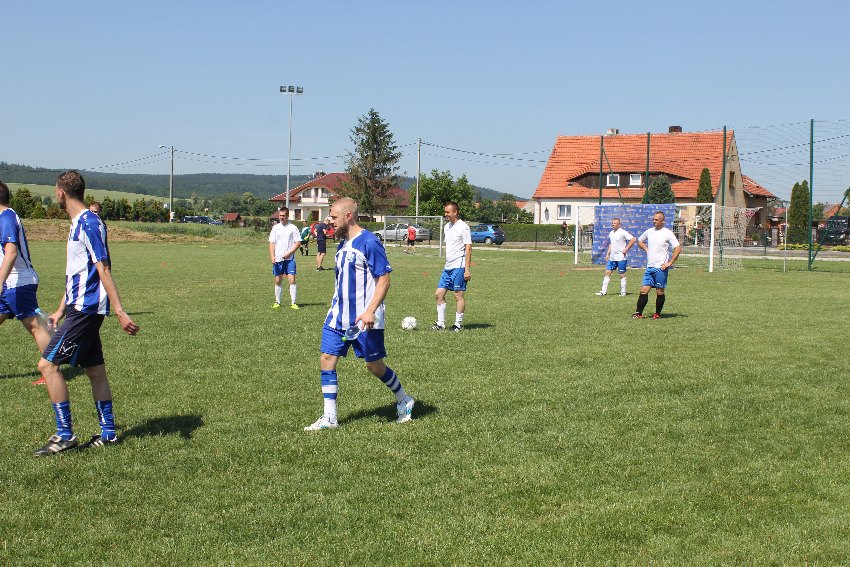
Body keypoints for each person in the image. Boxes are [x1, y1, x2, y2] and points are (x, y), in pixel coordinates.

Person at [35, 170, 140, 456]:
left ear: (61, 192)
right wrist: (60, 309)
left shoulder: (89, 223)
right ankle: (108, 433)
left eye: (55, 192)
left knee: (47, 366)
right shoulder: (77, 224)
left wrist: (119, 311)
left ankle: (65, 435)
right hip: (79, 307)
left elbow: (103, 268)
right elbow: (78, 274)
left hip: (86, 309)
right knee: (95, 371)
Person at [304, 197, 414, 431]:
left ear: (348, 216)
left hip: (364, 319)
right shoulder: (342, 244)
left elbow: (384, 280)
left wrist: (370, 312)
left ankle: (404, 399)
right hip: (338, 316)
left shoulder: (369, 242)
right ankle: (330, 418)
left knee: (374, 366)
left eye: (333, 217)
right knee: (327, 359)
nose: (329, 221)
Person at [0, 180, 53, 385]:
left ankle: (51, 371)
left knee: (34, 325)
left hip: (18, 283)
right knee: (35, 324)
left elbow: (11, 252)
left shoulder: (6, 217)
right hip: (9, 284)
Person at [632, 211, 681, 319]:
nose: (654, 221)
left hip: (661, 268)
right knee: (643, 290)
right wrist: (646, 249)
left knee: (659, 291)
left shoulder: (667, 233)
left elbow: (678, 248)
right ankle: (638, 313)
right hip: (650, 267)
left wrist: (669, 263)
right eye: (653, 219)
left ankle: (657, 314)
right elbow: (639, 240)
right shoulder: (649, 231)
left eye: (656, 220)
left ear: (662, 221)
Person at [432, 201, 472, 332]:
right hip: (448, 267)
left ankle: (457, 325)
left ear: (455, 212)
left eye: (448, 212)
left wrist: (467, 270)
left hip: (459, 266)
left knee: (458, 295)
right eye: (445, 212)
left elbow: (468, 249)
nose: (446, 214)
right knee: (439, 294)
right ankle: (440, 324)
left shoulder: (464, 227)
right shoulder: (446, 227)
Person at [269, 208, 302, 310]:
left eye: (283, 216)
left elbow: (298, 242)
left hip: (290, 259)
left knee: (292, 280)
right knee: (278, 280)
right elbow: (272, 243)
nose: (281, 217)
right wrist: (272, 256)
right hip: (278, 259)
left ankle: (293, 303)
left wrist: (289, 253)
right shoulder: (275, 228)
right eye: (280, 215)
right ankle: (277, 302)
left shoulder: (293, 228)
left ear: (287, 216)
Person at [596, 217, 636, 297]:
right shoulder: (611, 233)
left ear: (619, 225)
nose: (613, 224)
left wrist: (626, 249)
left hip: (621, 257)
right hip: (612, 258)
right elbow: (611, 244)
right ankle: (603, 292)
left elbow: (633, 239)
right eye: (612, 223)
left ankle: (623, 292)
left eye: (614, 223)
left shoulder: (623, 232)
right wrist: (608, 254)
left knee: (621, 274)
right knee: (607, 273)